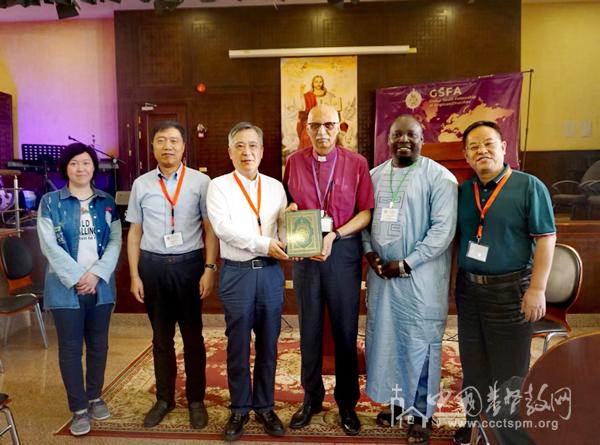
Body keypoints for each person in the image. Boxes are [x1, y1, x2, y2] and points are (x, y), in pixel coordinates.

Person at [453, 121, 556, 444]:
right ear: (467, 156)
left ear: (503, 147)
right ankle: (476, 426)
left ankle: (510, 436)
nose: (482, 151)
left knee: (509, 373)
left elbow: (546, 238)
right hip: (469, 291)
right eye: (474, 147)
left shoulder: (528, 186)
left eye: (488, 144)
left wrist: (537, 289)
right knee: (473, 365)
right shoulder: (463, 192)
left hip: (511, 291)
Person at [362, 114, 457, 444]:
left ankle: (421, 413)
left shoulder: (440, 178)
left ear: (422, 139)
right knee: (388, 340)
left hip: (419, 280)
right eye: (397, 135)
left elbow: (442, 231)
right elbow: (364, 220)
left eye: (411, 135)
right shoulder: (374, 176)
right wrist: (369, 253)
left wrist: (406, 263)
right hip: (383, 281)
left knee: (421, 344)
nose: (404, 140)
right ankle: (397, 403)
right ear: (387, 140)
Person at [283, 103, 374, 436]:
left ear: (341, 127)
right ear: (306, 128)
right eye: (315, 125)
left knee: (344, 330)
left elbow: (366, 212)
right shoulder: (293, 162)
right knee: (308, 329)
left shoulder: (357, 164)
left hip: (342, 252)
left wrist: (335, 235)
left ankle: (347, 403)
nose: (322, 132)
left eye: (329, 125)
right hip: (307, 256)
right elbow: (289, 203)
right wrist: (289, 211)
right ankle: (311, 398)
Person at [126, 121, 218, 429]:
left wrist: (209, 268)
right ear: (152, 147)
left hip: (190, 266)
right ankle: (164, 399)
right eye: (161, 140)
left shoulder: (201, 182)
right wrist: (135, 275)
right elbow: (134, 232)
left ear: (183, 147)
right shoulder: (141, 184)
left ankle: (196, 400)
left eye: (174, 141)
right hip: (152, 267)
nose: (168, 146)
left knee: (193, 337)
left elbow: (209, 229)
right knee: (161, 338)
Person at [207, 122, 288, 442]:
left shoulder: (275, 187)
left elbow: (281, 231)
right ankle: (239, 407)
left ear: (263, 151)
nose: (246, 151)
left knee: (269, 343)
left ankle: (265, 406)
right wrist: (263, 243)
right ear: (230, 151)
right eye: (239, 145)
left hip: (270, 273)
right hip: (237, 273)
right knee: (238, 343)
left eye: (253, 145)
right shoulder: (219, 186)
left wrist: (290, 233)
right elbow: (223, 229)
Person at [37, 143, 122, 436]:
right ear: (66, 168)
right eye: (74, 163)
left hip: (101, 287)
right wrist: (77, 277)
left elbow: (115, 241)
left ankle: (95, 395)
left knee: (99, 345)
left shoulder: (106, 201)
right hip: (65, 288)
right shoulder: (50, 201)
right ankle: (79, 409)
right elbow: (48, 245)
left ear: (94, 167)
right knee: (71, 349)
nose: (81, 168)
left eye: (86, 163)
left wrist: (97, 274)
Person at [296, 75, 344, 151]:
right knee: (306, 136)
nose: (318, 84)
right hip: (313, 121)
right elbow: (303, 108)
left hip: (327, 121)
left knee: (333, 134)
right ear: (313, 83)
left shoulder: (329, 95)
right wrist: (301, 93)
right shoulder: (308, 96)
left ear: (323, 83)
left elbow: (335, 108)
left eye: (320, 81)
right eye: (316, 81)